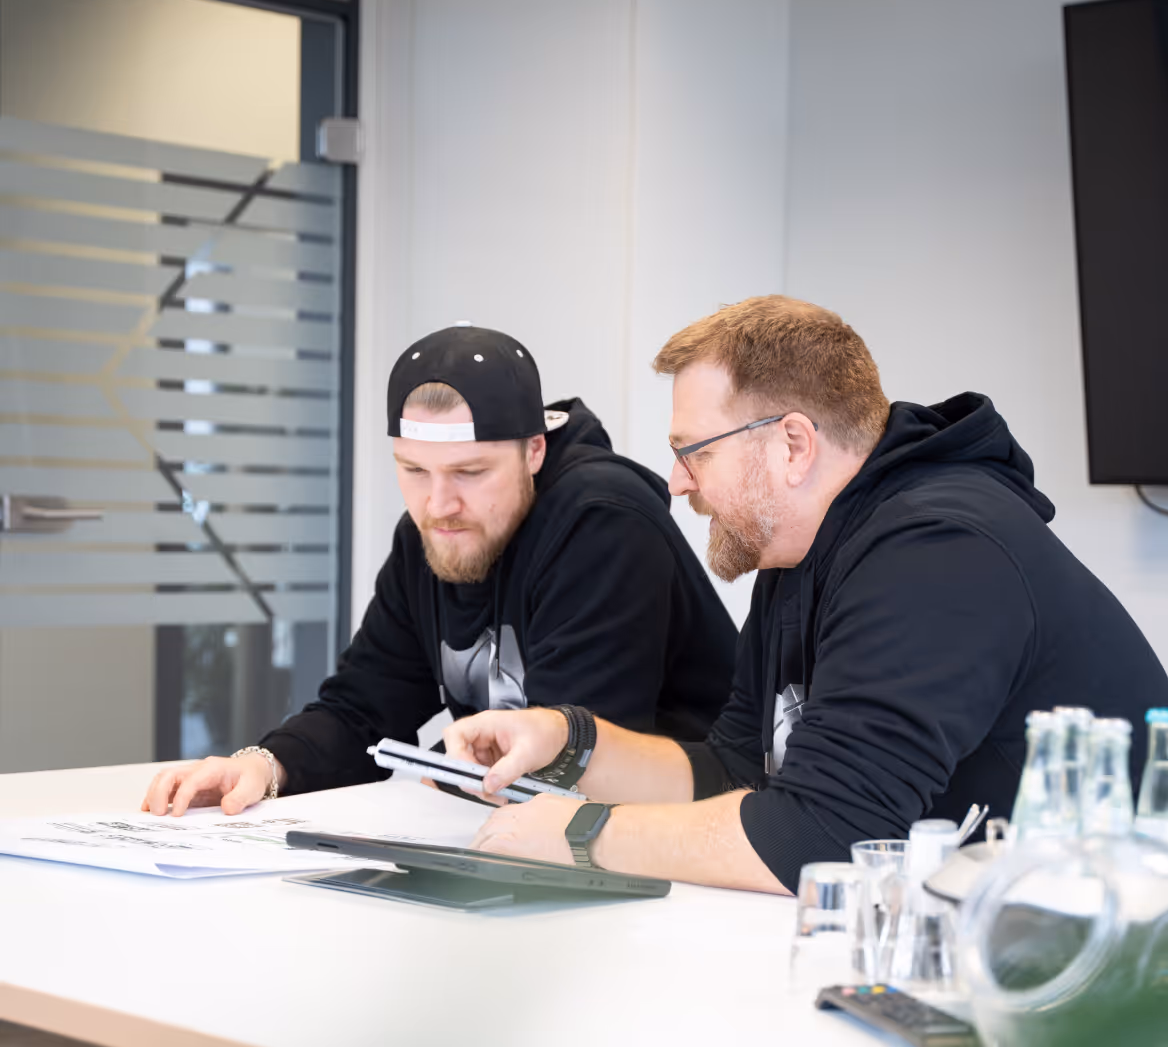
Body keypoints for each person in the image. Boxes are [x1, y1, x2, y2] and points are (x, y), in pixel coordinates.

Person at [443, 295, 1168, 893]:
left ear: (792, 445)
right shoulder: (797, 550)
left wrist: (581, 833)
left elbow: (825, 834)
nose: (678, 482)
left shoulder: (940, 551)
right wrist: (568, 743)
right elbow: (734, 770)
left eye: (695, 451)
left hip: (1104, 945)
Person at [142, 324, 737, 817]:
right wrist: (265, 765)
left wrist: (440, 775)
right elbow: (364, 709)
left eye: (470, 473)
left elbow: (573, 753)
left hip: (689, 840)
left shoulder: (601, 522)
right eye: (414, 471)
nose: (438, 504)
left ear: (534, 450)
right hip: (534, 836)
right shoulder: (429, 535)